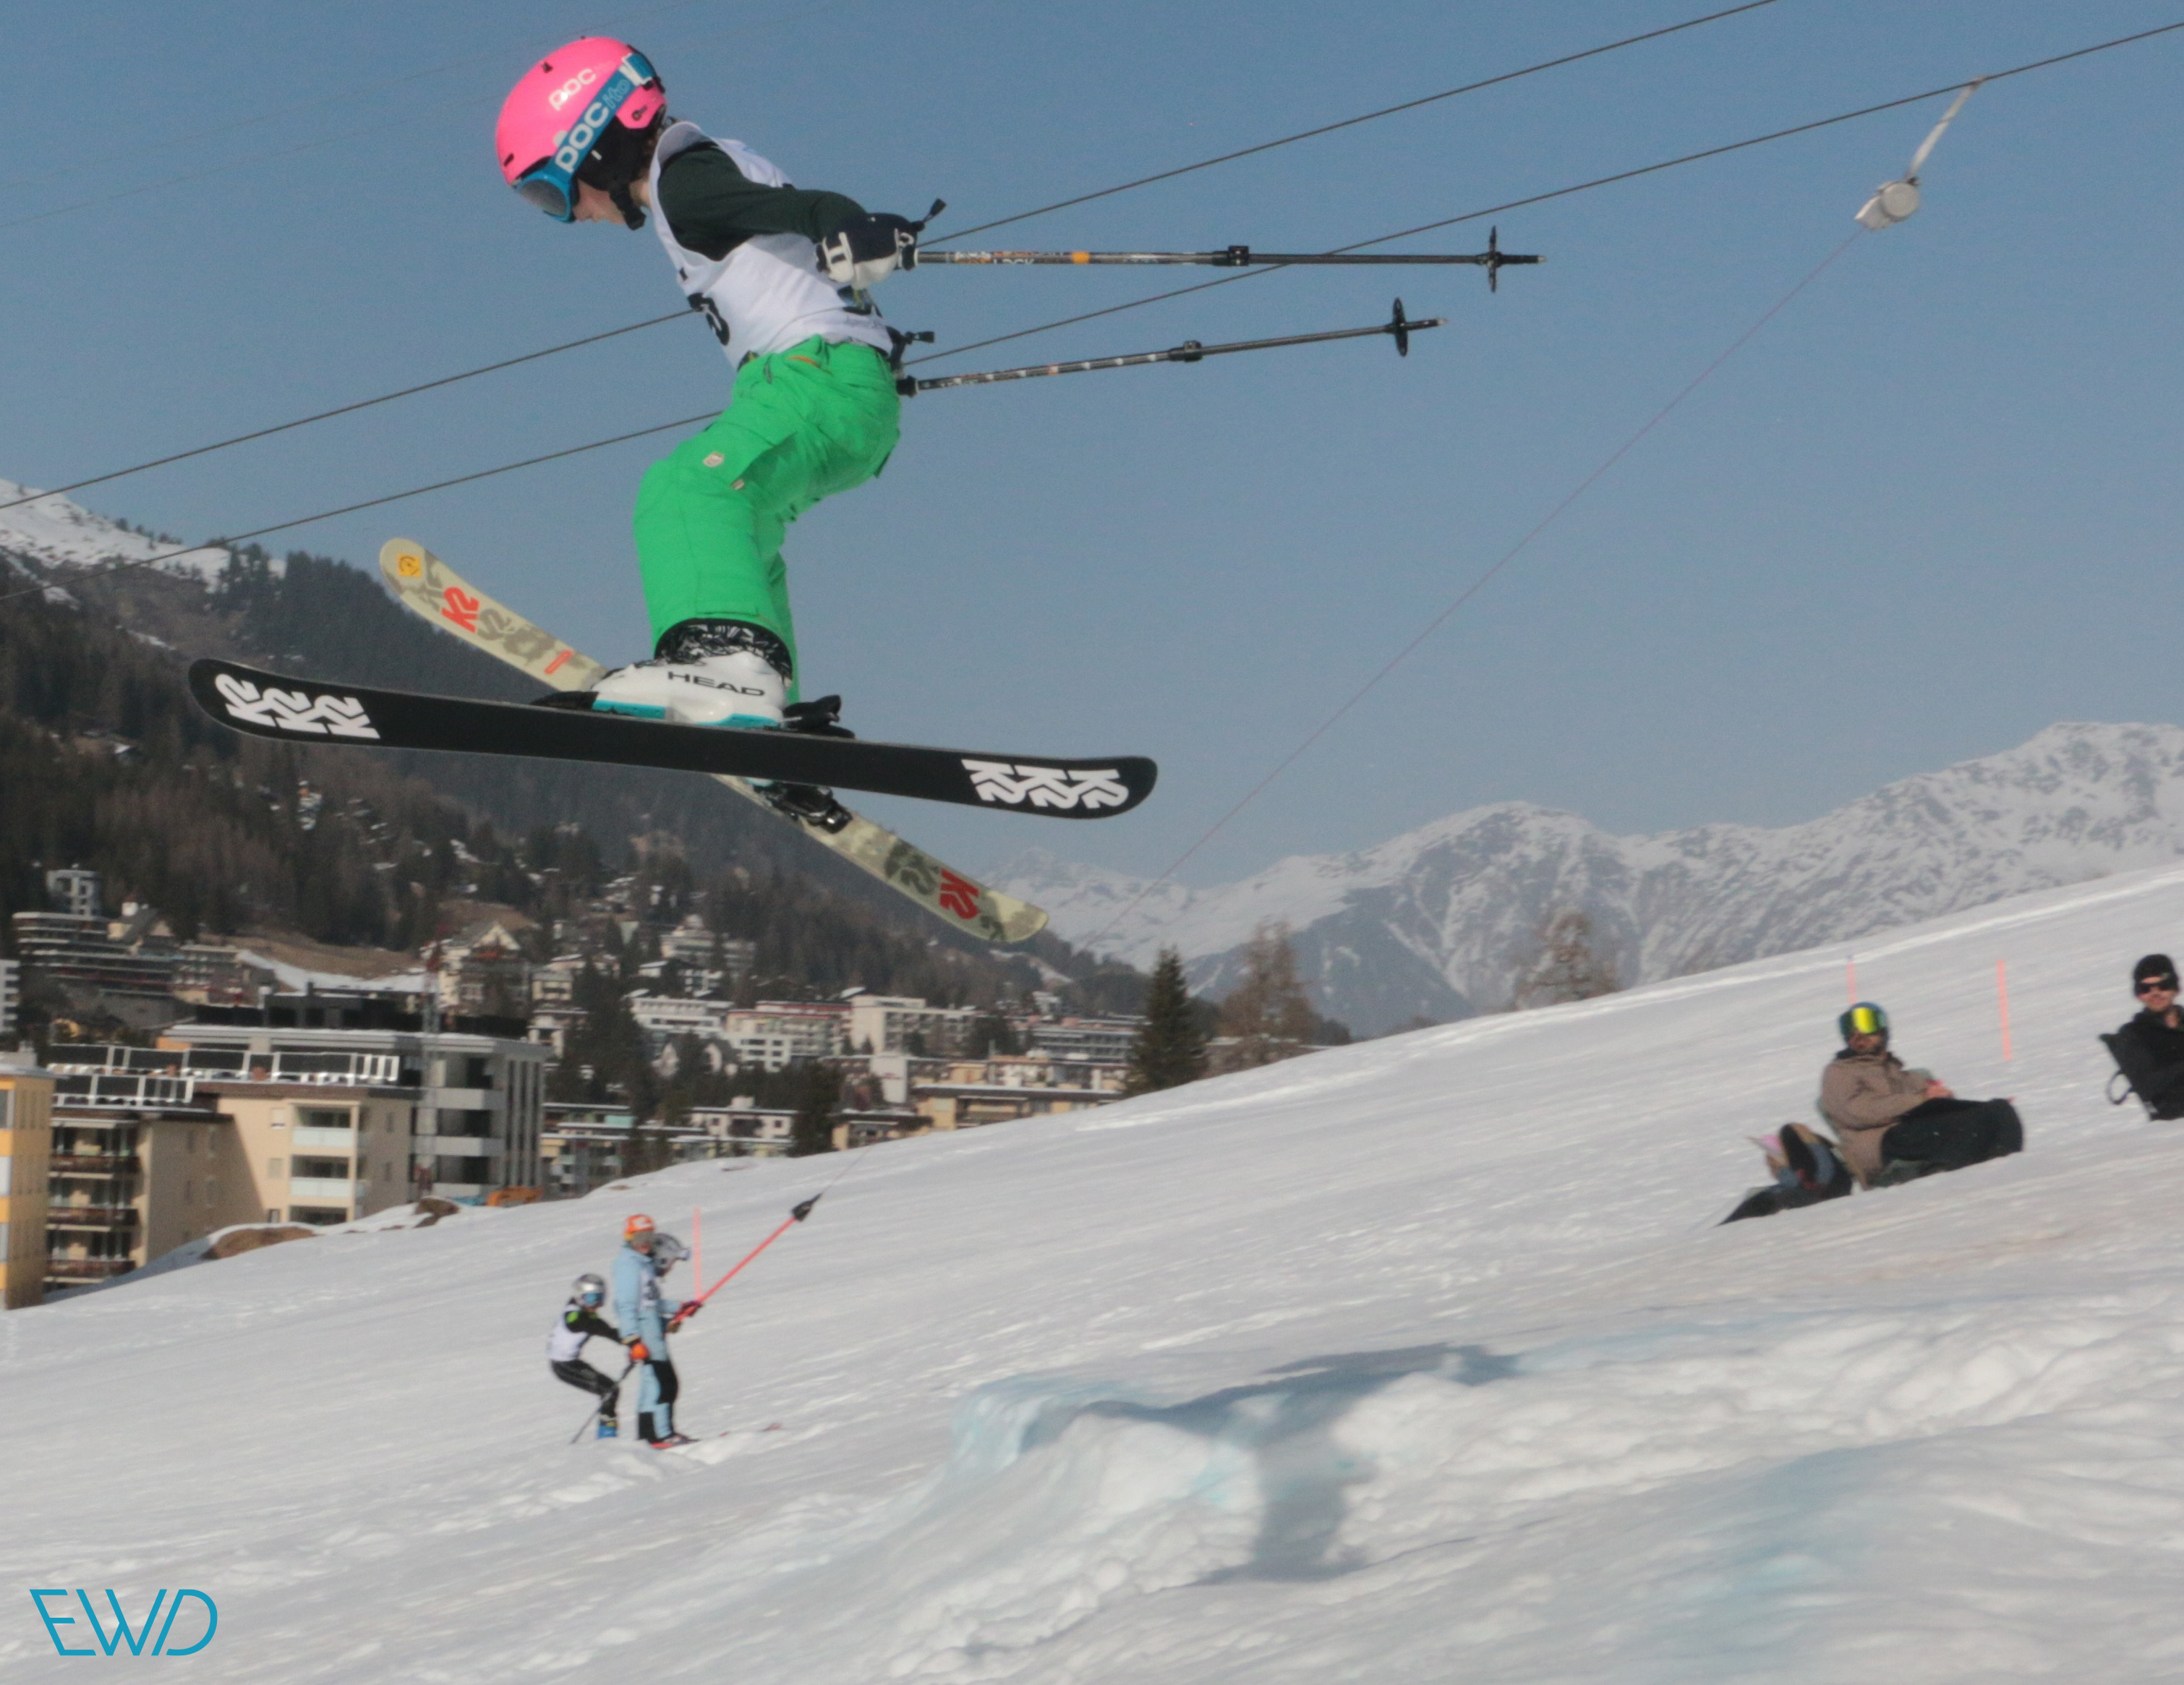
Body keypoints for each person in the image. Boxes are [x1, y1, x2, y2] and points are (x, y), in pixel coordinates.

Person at [495, 38, 923, 827]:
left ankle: (726, 667)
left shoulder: (686, 182)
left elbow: (808, 210)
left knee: (686, 490)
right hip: (833, 386)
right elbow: (795, 226)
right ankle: (769, 727)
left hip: (813, 379)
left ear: (596, 142)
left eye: (553, 192)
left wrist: (846, 223)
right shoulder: (694, 179)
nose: (568, 214)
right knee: (744, 531)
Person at [1818, 1002, 2024, 1185]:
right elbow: (1857, 1111)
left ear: (1882, 1028)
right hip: (1880, 1144)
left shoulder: (1900, 1073)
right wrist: (1920, 1099)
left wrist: (1941, 1097)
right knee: (1959, 1128)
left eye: (1866, 1022)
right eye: (1849, 1027)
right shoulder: (1839, 1072)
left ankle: (2002, 1174)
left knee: (1999, 1111)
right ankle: (1972, 1179)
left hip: (1911, 1131)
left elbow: (1929, 1098)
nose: (1857, 1034)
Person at [613, 1213, 701, 1447]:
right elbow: (626, 1306)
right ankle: (662, 1434)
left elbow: (651, 1302)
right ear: (628, 1238)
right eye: (638, 1238)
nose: (644, 1243)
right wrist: (633, 1340)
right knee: (665, 1382)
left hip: (651, 1329)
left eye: (649, 1238)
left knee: (653, 1382)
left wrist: (680, 1307)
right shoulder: (629, 1266)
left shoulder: (642, 1264)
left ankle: (648, 1436)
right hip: (644, 1333)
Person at [2101, 953, 2184, 1119]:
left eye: (2163, 986)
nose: (2155, 993)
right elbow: (2147, 1084)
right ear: (2138, 995)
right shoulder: (2133, 1035)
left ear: (2175, 988)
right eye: (2146, 989)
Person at [548, 1272, 626, 1438]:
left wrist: (631, 1341)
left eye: (600, 1298)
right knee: (609, 1391)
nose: (596, 1304)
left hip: (570, 1363)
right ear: (579, 1297)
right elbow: (575, 1322)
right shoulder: (575, 1315)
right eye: (591, 1299)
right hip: (563, 1365)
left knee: (611, 1389)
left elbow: (608, 1331)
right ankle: (607, 1437)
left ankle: (607, 1434)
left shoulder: (587, 1314)